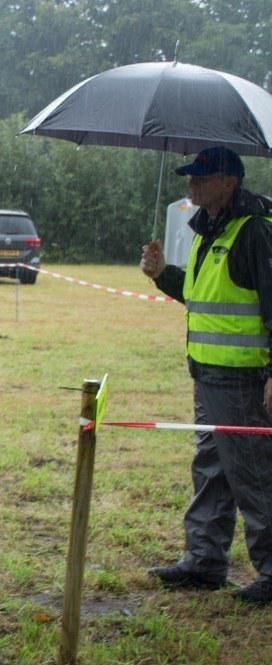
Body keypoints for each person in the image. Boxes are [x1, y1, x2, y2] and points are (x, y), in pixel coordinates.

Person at [140, 146, 272, 605]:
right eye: (190, 175)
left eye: (202, 176)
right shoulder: (208, 229)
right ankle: (205, 562)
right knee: (211, 470)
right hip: (209, 375)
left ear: (229, 183)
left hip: (243, 380)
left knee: (253, 475)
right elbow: (204, 297)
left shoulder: (254, 232)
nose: (191, 183)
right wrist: (162, 275)